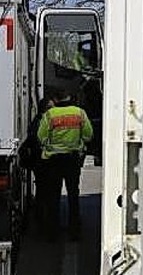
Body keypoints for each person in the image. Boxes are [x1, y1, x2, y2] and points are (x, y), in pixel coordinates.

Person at [38, 88, 93, 239]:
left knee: (53, 197)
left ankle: (52, 232)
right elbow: (88, 135)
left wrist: (50, 146)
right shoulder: (79, 113)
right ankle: (74, 230)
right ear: (69, 97)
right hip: (72, 159)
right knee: (73, 195)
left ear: (55, 100)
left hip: (54, 161)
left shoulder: (50, 115)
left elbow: (41, 137)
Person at [18, 97, 53, 226]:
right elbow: (39, 142)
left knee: (42, 192)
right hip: (43, 162)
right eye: (51, 107)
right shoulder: (42, 121)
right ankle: (44, 222)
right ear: (47, 109)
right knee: (46, 193)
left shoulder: (37, 121)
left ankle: (42, 220)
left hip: (39, 162)